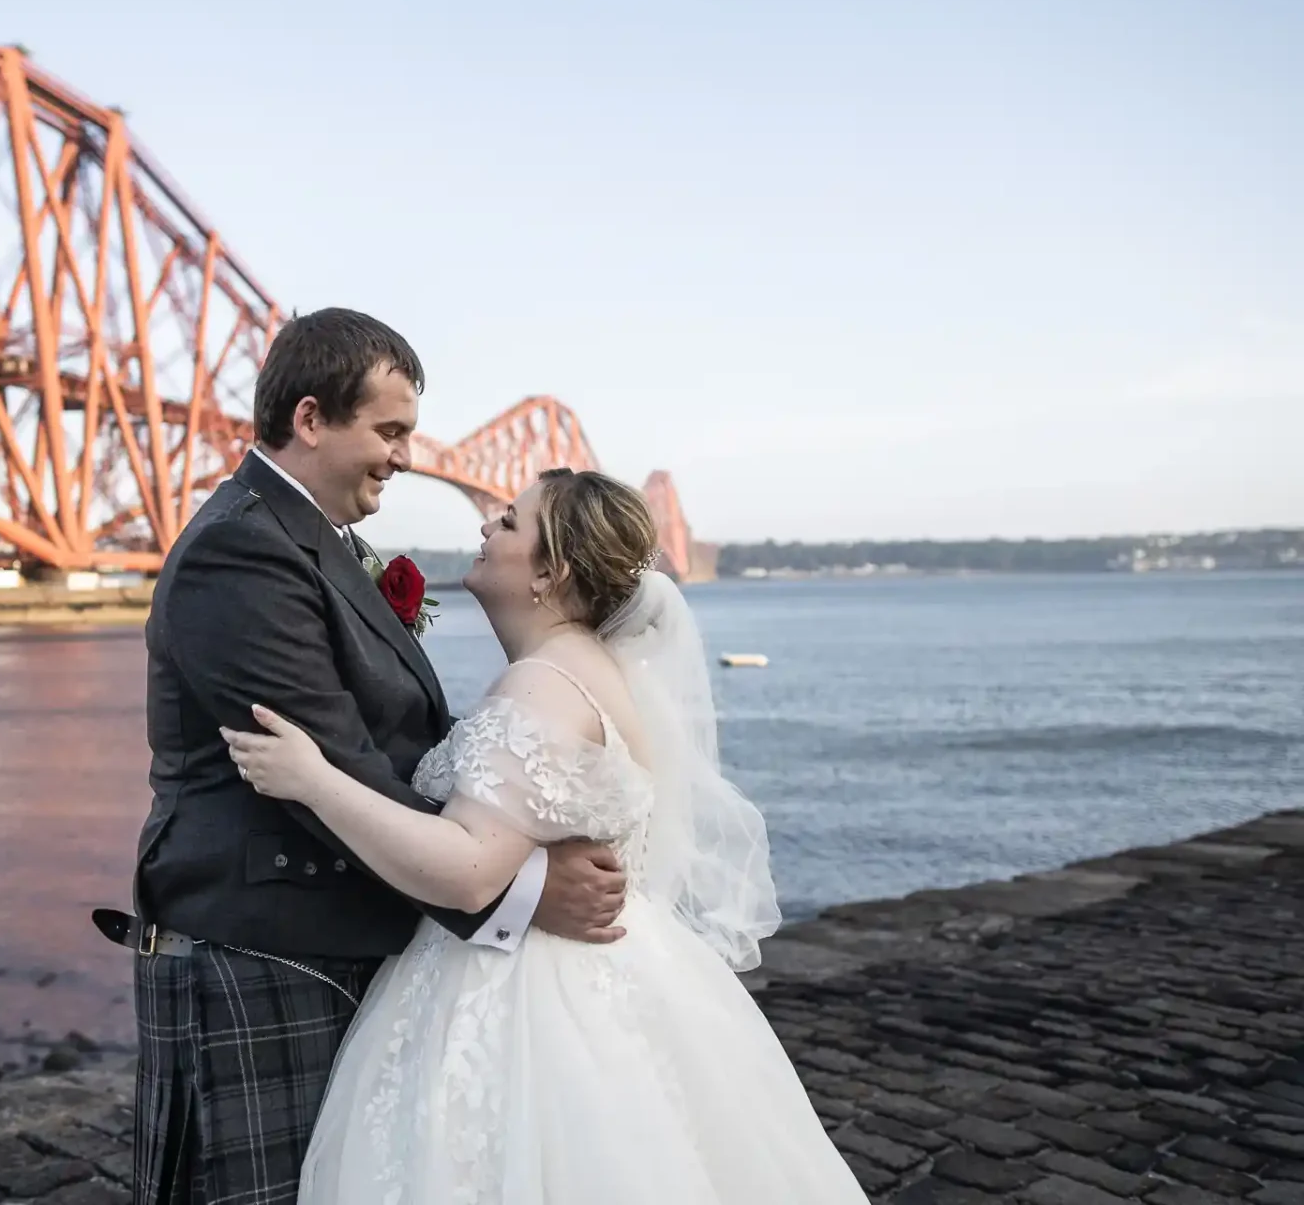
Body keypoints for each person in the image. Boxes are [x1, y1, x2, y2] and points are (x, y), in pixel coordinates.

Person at [98, 309, 631, 1205]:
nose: (405, 456)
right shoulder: (243, 549)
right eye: (388, 431)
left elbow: (394, 746)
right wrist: (521, 885)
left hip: (317, 944)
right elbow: (334, 769)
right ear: (310, 419)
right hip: (258, 955)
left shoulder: (311, 535)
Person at [223, 468, 871, 1203]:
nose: (484, 528)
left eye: (508, 523)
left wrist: (313, 780)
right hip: (608, 979)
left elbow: (467, 871)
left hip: (519, 1000)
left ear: (551, 570)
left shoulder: (542, 687)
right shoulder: (590, 669)